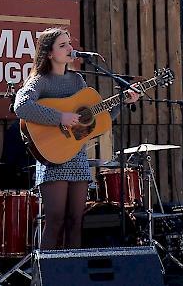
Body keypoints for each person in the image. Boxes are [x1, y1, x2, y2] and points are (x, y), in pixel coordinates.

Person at [12, 27, 140, 249]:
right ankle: (46, 277)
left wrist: (122, 101)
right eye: (62, 45)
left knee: (75, 222)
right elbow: (21, 105)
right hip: (52, 158)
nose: (70, 48)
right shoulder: (40, 81)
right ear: (49, 53)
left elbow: (96, 120)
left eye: (69, 43)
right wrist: (59, 116)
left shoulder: (78, 80)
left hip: (77, 158)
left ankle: (72, 274)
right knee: (55, 222)